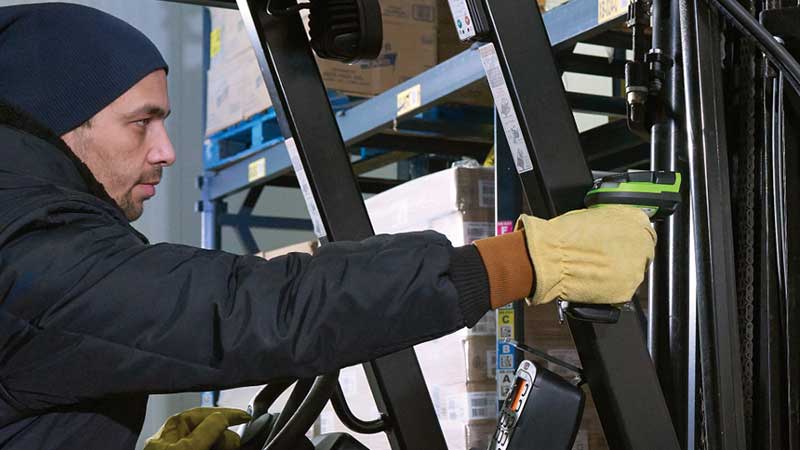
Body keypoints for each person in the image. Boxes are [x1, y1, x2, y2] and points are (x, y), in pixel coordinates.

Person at [0, 3, 656, 450]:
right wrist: (526, 262)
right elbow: (254, 310)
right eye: (142, 122)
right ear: (61, 120)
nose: (167, 149)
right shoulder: (35, 250)